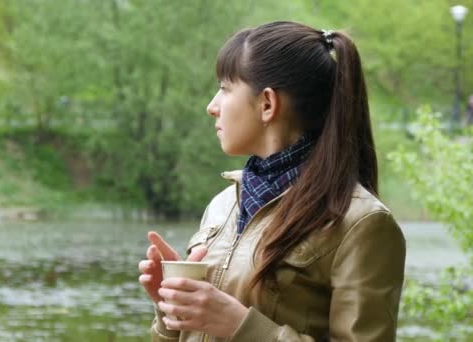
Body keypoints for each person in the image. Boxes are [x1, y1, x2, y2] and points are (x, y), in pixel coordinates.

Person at [138, 21, 406, 342]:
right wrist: (172, 309)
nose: (212, 107)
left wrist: (242, 326)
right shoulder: (222, 205)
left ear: (267, 104)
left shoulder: (362, 223)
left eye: (224, 88)